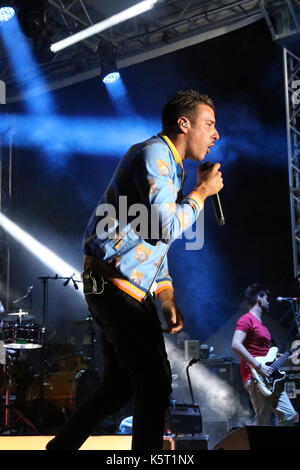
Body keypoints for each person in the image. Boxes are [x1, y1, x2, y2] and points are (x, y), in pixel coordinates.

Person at [46, 89, 223, 450]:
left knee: (120, 384)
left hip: (123, 286)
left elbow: (156, 242)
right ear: (183, 123)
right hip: (112, 283)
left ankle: (60, 448)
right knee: (155, 381)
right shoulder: (155, 153)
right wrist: (202, 193)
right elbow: (165, 226)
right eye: (209, 124)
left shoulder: (171, 167)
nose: (216, 134)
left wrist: (165, 293)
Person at [232, 283, 298, 426]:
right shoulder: (246, 319)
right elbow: (236, 344)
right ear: (259, 299)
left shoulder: (262, 324)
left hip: (271, 377)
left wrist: (276, 357)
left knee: (290, 416)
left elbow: (262, 351)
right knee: (264, 423)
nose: (268, 302)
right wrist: (258, 365)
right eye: (266, 298)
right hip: (256, 377)